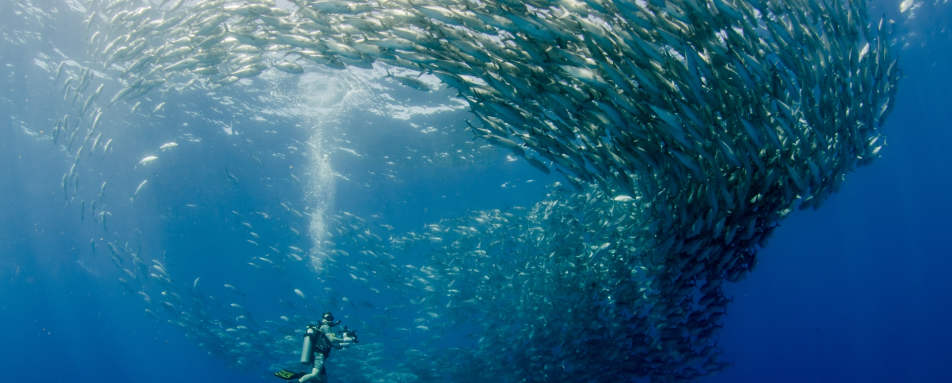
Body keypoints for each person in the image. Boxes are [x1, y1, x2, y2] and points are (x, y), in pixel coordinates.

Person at [276, 312, 357, 382]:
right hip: (319, 354)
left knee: (322, 381)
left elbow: (330, 343)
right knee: (315, 375)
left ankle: (301, 375)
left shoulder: (323, 329)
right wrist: (344, 340)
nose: (330, 320)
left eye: (331, 318)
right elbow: (331, 339)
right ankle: (298, 381)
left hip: (318, 355)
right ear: (323, 319)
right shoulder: (325, 327)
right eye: (328, 318)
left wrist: (340, 345)